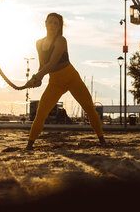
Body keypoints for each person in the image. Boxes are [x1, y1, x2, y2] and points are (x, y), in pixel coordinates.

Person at [24, 12, 105, 149]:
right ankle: (29, 145)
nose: (52, 25)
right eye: (50, 22)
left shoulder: (61, 40)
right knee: (41, 113)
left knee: (90, 109)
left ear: (60, 26)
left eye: (56, 23)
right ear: (45, 23)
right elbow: (43, 66)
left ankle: (102, 140)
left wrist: (37, 76)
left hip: (71, 78)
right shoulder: (39, 43)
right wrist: (37, 80)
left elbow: (52, 63)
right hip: (55, 82)